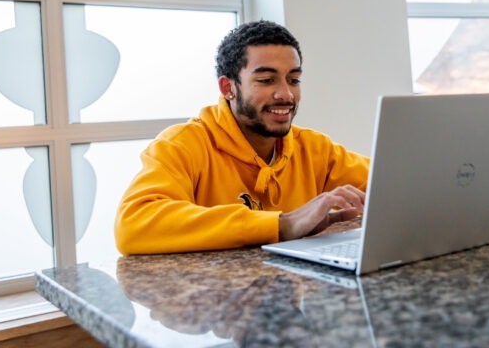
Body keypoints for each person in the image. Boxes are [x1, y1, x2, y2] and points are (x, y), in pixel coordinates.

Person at [115, 20, 369, 255]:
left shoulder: (316, 149)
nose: (286, 94)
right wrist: (282, 225)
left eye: (294, 80)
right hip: (211, 299)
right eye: (267, 80)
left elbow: (391, 185)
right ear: (228, 88)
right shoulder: (182, 144)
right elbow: (133, 224)